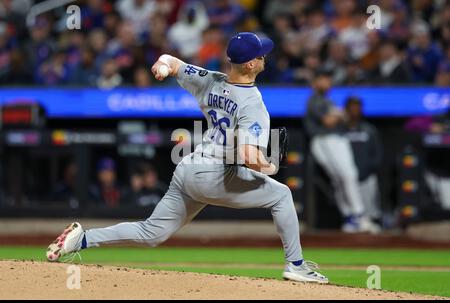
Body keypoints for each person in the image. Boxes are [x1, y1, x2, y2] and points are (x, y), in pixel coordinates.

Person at [46, 32, 328, 283]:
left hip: (189, 168)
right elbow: (247, 155)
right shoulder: (253, 103)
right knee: (281, 196)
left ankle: (81, 240)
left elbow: (172, 62)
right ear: (252, 64)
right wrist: (270, 166)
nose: (265, 56)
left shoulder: (210, 80)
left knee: (152, 233)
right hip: (215, 174)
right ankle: (296, 265)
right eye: (261, 54)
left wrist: (162, 66)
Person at [303, 70, 376, 233]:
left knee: (340, 179)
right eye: (324, 80)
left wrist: (339, 114)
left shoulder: (326, 100)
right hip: (328, 140)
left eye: (329, 80)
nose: (328, 83)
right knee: (348, 176)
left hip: (328, 140)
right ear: (315, 82)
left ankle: (351, 217)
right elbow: (329, 121)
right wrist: (341, 114)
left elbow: (340, 117)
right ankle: (359, 215)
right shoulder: (316, 100)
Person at [343, 96, 382, 232]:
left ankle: (368, 222)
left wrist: (368, 169)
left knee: (369, 209)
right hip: (348, 178)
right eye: (351, 107)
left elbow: (377, 153)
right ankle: (352, 221)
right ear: (346, 110)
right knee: (350, 211)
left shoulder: (369, 129)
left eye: (357, 107)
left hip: (366, 176)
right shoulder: (340, 130)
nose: (354, 111)